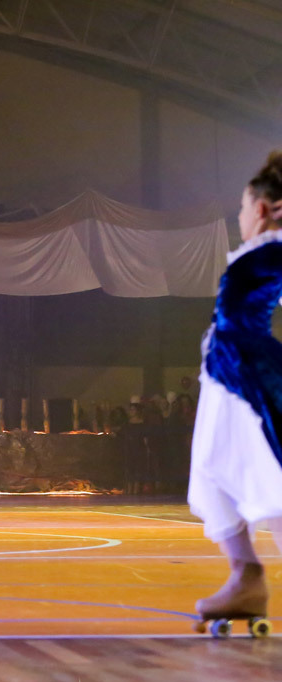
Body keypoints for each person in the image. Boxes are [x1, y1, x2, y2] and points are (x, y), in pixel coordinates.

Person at [189, 151, 282, 636]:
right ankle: (245, 578)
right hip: (225, 372)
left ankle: (246, 575)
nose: (240, 217)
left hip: (246, 374)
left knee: (266, 473)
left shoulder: (273, 250)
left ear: (262, 209)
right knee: (214, 468)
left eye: (243, 208)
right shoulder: (261, 252)